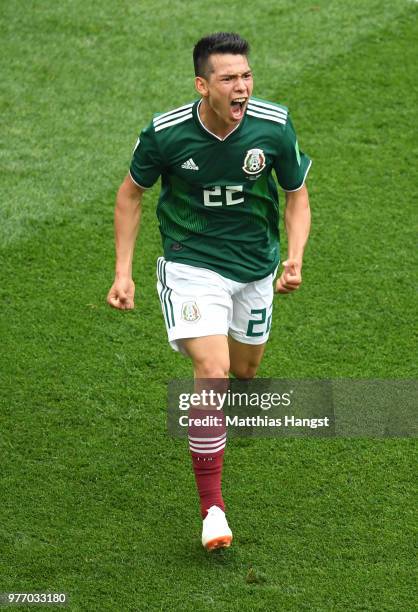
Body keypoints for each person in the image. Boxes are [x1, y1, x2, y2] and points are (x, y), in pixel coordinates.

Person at [107, 32, 312, 551]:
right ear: (203, 85)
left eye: (246, 76)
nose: (241, 87)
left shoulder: (274, 126)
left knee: (245, 371)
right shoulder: (166, 134)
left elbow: (297, 196)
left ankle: (218, 423)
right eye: (228, 79)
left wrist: (294, 256)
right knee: (213, 369)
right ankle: (212, 508)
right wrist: (123, 272)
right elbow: (130, 196)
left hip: (255, 267)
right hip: (191, 264)